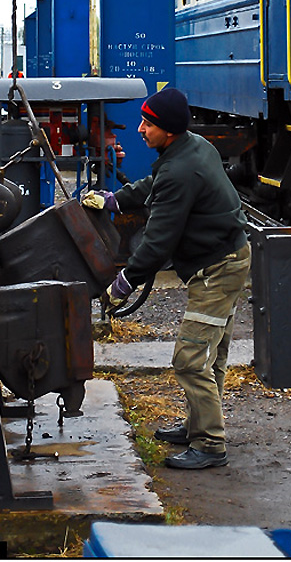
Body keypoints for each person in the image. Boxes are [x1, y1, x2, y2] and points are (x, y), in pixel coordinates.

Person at [82, 87, 251, 470]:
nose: (140, 129)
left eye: (148, 123)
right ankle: (198, 426)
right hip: (226, 257)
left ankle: (209, 445)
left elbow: (157, 244)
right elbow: (154, 186)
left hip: (218, 269)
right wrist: (114, 200)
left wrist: (122, 285)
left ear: (168, 130)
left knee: (191, 360)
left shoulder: (181, 167)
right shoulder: (189, 147)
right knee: (211, 354)